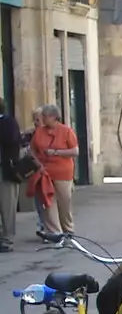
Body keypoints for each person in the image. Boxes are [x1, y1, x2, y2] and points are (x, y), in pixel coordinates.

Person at [31, 104, 78, 243]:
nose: (42, 119)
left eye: (45, 116)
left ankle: (68, 231)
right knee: (48, 203)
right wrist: (37, 163)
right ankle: (54, 233)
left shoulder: (66, 131)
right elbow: (32, 150)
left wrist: (56, 152)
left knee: (64, 203)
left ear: (53, 117)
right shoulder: (39, 132)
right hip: (44, 173)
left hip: (63, 173)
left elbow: (75, 151)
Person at [0, 99, 20, 253]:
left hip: (5, 170)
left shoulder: (9, 123)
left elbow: (10, 141)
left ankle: (7, 240)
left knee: (7, 206)